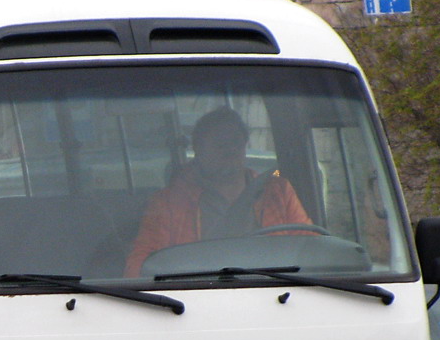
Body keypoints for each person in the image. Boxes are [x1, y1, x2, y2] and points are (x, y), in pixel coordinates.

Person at [123, 106, 311, 276]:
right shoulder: (168, 202)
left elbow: (309, 246)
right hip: (197, 296)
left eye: (236, 142)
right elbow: (139, 267)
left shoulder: (278, 191)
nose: (230, 150)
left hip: (274, 292)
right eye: (220, 144)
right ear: (198, 149)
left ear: (245, 145)